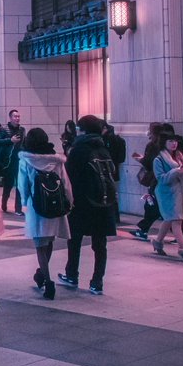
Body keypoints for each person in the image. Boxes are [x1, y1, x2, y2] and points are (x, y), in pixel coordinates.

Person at [59, 114, 117, 296]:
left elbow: (69, 178)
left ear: (83, 131)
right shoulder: (103, 149)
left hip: (82, 203)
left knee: (74, 240)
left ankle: (72, 274)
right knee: (100, 244)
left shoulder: (78, 150)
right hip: (103, 203)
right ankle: (97, 281)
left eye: (78, 128)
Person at [18, 128, 72, 300]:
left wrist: (25, 204)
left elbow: (23, 186)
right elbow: (65, 183)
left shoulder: (26, 160)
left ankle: (48, 282)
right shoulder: (56, 160)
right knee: (49, 242)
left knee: (40, 246)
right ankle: (42, 274)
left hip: (37, 207)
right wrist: (69, 202)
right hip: (55, 206)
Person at [151, 133, 183, 261]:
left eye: (175, 141)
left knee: (169, 220)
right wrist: (176, 171)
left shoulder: (179, 157)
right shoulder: (158, 160)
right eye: (170, 141)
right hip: (166, 193)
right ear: (164, 143)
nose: (174, 143)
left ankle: (158, 242)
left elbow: (182, 175)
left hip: (177, 192)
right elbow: (161, 178)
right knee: (176, 220)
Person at [0, 110, 25, 214]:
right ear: (10, 118)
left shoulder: (22, 130)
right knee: (8, 184)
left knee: (19, 185)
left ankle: (18, 209)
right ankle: (4, 203)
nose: (17, 118)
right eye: (15, 116)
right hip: (7, 162)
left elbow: (24, 143)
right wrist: (10, 140)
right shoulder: (4, 129)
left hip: (19, 160)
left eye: (18, 116)